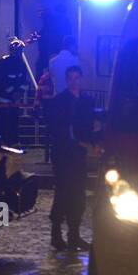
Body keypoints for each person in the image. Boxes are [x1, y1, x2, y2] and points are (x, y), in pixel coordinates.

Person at [45, 65, 95, 251]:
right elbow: (56, 129)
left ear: (80, 79)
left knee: (77, 194)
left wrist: (88, 141)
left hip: (76, 153)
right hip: (64, 153)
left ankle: (73, 234)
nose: (73, 82)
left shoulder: (86, 100)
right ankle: (57, 233)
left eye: (76, 78)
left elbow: (87, 126)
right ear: (67, 80)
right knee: (64, 193)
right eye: (70, 78)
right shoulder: (60, 101)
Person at [0, 37, 32, 145]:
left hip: (15, 99)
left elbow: (24, 81)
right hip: (4, 97)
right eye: (17, 50)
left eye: (20, 50)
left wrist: (19, 92)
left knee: (14, 120)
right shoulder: (2, 63)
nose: (18, 52)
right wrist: (12, 91)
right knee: (3, 120)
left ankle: (14, 142)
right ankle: (3, 142)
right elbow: (1, 80)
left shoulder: (21, 64)